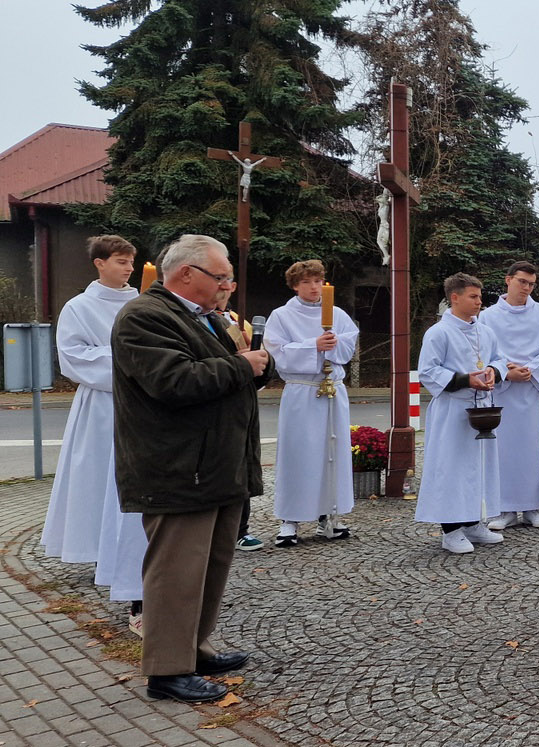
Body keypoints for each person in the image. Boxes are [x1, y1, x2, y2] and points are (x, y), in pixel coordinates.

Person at [111, 234, 272, 703]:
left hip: (217, 466)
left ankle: (195, 649)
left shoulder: (201, 318)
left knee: (210, 567)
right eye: (220, 276)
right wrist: (243, 366)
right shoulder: (145, 317)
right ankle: (167, 670)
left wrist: (262, 363)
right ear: (186, 274)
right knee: (176, 572)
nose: (227, 286)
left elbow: (231, 373)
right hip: (177, 468)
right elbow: (173, 382)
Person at [43, 237, 139, 631]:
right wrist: (134, 359)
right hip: (101, 405)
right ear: (99, 264)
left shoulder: (141, 303)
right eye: (120, 262)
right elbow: (73, 356)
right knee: (99, 475)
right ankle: (100, 547)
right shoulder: (79, 307)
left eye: (131, 261)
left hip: (140, 405)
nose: (128, 268)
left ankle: (127, 547)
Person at [264, 261, 359, 547]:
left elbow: (348, 343)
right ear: (295, 285)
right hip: (301, 392)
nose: (314, 287)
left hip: (333, 392)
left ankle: (328, 515)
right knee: (298, 453)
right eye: (307, 282)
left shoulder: (337, 314)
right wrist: (313, 345)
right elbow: (275, 352)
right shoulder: (281, 316)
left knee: (332, 452)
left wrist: (333, 343)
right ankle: (289, 521)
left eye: (318, 281)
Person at [416, 273, 509, 553]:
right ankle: (450, 529)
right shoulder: (438, 333)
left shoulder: (485, 331)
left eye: (480, 296)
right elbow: (428, 371)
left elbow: (500, 359)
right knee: (452, 469)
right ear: (454, 298)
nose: (479, 302)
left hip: (482, 408)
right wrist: (466, 380)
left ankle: (473, 522)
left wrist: (493, 372)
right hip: (453, 409)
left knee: (478, 467)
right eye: (473, 296)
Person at [478, 261, 539, 530]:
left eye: (531, 284)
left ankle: (533, 506)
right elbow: (483, 350)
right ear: (508, 280)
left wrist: (532, 369)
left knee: (534, 449)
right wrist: (505, 370)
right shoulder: (488, 317)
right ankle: (503, 508)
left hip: (534, 390)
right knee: (503, 450)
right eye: (522, 282)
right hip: (504, 392)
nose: (527, 288)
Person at [214, 288, 265, 552]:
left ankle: (241, 528)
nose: (224, 289)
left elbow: (257, 353)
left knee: (242, 464)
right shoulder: (204, 320)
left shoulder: (236, 319)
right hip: (219, 397)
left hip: (242, 400)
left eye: (229, 282)